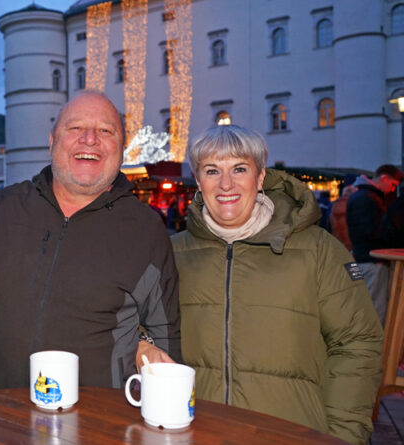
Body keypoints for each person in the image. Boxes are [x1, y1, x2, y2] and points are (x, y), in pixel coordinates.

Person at [172, 125, 383, 445]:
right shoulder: (173, 254)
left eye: (239, 169)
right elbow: (144, 330)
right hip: (196, 435)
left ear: (259, 177)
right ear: (199, 181)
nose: (226, 183)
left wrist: (341, 436)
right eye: (212, 170)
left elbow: (357, 344)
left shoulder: (318, 250)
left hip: (291, 435)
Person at [0, 91, 180, 390]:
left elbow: (165, 331)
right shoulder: (4, 208)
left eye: (105, 130)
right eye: (75, 128)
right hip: (0, 413)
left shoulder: (145, 228)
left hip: (100, 425)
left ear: (122, 149)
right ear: (52, 142)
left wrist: (147, 356)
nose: (89, 138)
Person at [346, 164, 403, 323]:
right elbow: (371, 231)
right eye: (392, 184)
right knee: (375, 310)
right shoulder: (369, 198)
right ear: (384, 178)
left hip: (362, 258)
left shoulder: (362, 196)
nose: (392, 189)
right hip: (372, 261)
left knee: (365, 306)